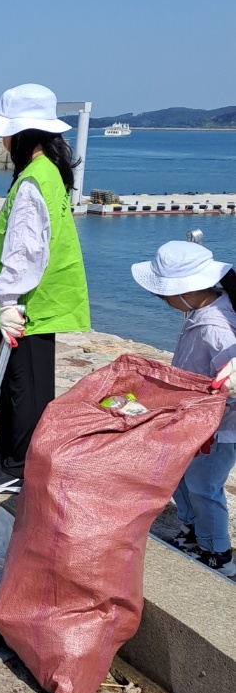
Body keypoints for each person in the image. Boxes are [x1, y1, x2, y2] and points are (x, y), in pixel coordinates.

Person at [0, 84, 90, 493]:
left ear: (22, 134)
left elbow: (24, 249)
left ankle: (20, 467)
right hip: (37, 301)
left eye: (5, 131)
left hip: (29, 304)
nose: (1, 140)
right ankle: (6, 454)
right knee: (19, 382)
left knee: (26, 388)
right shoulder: (47, 173)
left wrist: (8, 300)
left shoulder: (34, 181)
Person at [131, 241, 236, 579]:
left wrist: (211, 409)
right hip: (194, 415)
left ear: (187, 290)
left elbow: (230, 384)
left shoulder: (217, 329)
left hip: (220, 425)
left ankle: (218, 551)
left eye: (165, 295)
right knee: (179, 476)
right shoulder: (201, 310)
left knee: (204, 484)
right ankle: (193, 530)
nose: (163, 301)